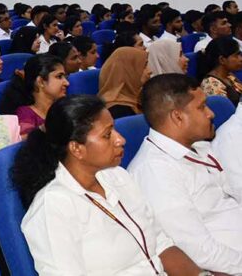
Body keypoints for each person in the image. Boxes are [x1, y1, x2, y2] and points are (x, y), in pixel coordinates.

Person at [13, 95, 204, 276]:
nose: (120, 139)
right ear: (77, 149)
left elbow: (161, 244)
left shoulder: (117, 176)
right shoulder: (53, 207)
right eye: (107, 134)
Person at [129, 74, 242, 274]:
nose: (211, 114)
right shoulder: (156, 172)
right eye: (201, 107)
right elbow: (200, 252)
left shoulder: (199, 146)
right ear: (178, 117)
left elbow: (231, 199)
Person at [0, 54, 68, 137]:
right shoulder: (25, 115)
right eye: (59, 77)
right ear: (40, 82)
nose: (67, 83)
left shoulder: (63, 107)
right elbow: (30, 143)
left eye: (65, 77)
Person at [99, 47, 151, 119]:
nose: (149, 71)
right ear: (128, 71)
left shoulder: (137, 96)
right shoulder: (117, 110)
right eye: (144, 66)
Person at [199, 37, 242, 104]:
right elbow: (225, 112)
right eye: (236, 56)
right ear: (222, 60)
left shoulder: (229, 75)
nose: (240, 59)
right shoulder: (211, 84)